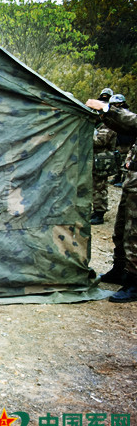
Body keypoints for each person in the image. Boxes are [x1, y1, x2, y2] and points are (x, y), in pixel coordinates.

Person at [86, 94, 137, 303]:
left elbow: (132, 121)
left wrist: (107, 109)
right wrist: (104, 114)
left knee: (134, 232)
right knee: (122, 227)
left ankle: (134, 281)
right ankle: (120, 269)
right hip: (132, 179)